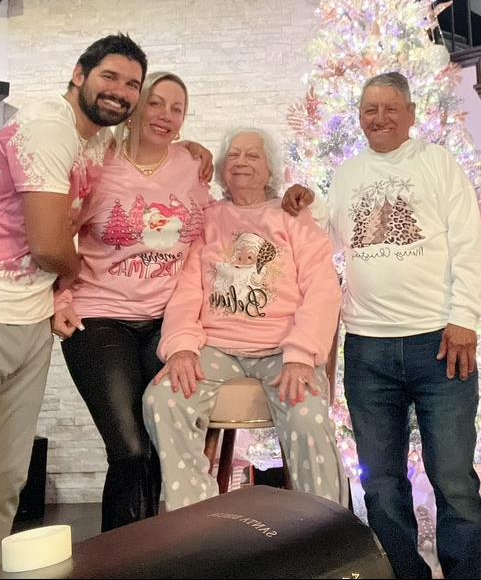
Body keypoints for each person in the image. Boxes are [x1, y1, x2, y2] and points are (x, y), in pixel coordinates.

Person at [0, 33, 147, 579]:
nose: (121, 92)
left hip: (29, 324)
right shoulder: (46, 129)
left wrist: (196, 151)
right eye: (110, 76)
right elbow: (49, 245)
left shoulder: (98, 143)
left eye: (132, 84)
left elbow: (151, 153)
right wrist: (82, 274)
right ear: (79, 74)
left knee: (3, 488)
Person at [282, 71, 481, 579]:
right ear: (361, 117)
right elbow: (326, 238)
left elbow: (469, 243)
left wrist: (465, 319)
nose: (380, 117)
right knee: (380, 481)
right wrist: (305, 204)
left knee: (454, 477)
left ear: (411, 113)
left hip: (439, 343)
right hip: (368, 349)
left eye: (391, 108)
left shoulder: (436, 164)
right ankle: (402, 573)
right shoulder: (348, 173)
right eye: (371, 109)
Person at [143, 127, 350, 512]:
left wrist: (302, 355)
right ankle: (195, 520)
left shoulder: (292, 216)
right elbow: (187, 290)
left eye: (253, 155)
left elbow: (323, 289)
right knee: (162, 399)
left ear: (270, 168)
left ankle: (325, 530)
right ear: (221, 167)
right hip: (217, 347)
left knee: (307, 416)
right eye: (234, 154)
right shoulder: (208, 219)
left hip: (281, 348)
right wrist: (182, 347)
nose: (241, 161)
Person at [51, 71, 212, 531]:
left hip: (166, 321)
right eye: (156, 103)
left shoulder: (191, 164)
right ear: (136, 106)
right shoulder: (97, 161)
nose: (165, 115)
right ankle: (119, 560)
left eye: (176, 108)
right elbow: (58, 232)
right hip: (100, 318)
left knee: (165, 443)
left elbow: (214, 231)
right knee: (130, 448)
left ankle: (155, 554)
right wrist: (59, 296)